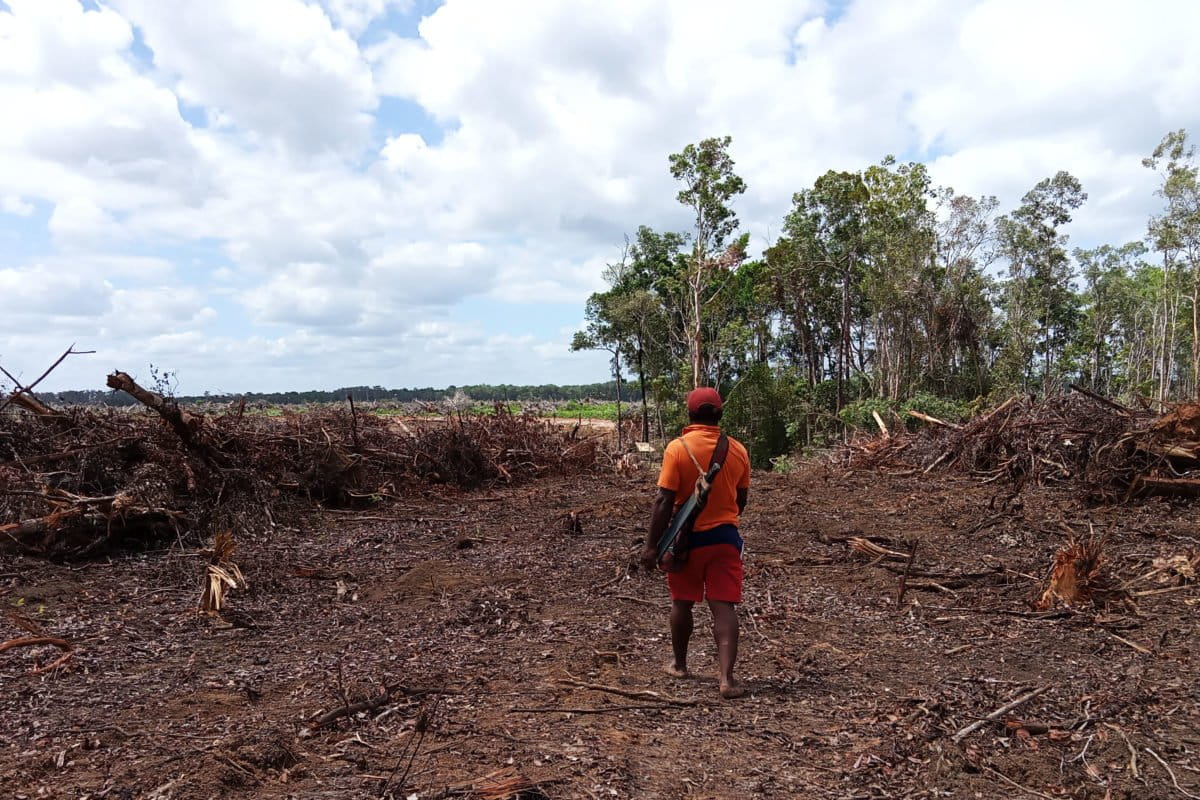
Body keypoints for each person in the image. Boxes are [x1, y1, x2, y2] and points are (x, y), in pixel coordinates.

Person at [640, 387, 751, 699]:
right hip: (726, 540)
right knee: (724, 606)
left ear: (689, 415)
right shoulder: (738, 450)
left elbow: (664, 500)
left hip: (686, 541)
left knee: (682, 602)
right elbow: (741, 500)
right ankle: (727, 679)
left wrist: (651, 547)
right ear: (719, 414)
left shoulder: (677, 448)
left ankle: (679, 664)